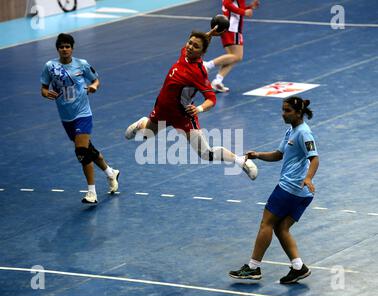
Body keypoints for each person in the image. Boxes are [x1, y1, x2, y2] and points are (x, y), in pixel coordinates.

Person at [125, 29, 258, 180]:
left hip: (183, 116)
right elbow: (197, 43)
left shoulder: (199, 73)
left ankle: (240, 160)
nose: (189, 47)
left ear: (202, 52)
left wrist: (199, 108)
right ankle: (141, 123)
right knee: (144, 136)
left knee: (205, 154)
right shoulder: (185, 53)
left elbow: (211, 99)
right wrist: (208, 34)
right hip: (162, 109)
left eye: (195, 46)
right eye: (189, 43)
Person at [229, 96, 319, 284]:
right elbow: (279, 154)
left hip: (291, 188)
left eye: (287, 110)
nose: (283, 113)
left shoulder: (304, 133)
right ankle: (298, 267)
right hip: (303, 194)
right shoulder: (291, 131)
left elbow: (315, 158)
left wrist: (308, 178)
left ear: (298, 113)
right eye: (283, 109)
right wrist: (258, 155)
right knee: (281, 228)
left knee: (266, 224)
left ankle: (253, 268)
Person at [41, 33, 120, 204]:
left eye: (67, 46)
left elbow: (96, 80)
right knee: (88, 150)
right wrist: (47, 94)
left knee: (81, 152)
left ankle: (91, 192)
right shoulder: (50, 67)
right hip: (65, 116)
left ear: (72, 48)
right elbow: (43, 88)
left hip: (83, 114)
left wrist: (93, 86)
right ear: (57, 49)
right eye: (61, 47)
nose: (64, 49)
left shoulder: (82, 65)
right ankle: (110, 173)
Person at [204, 0, 260, 93]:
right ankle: (207, 65)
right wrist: (244, 12)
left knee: (233, 57)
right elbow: (227, 3)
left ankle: (218, 81)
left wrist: (249, 7)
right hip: (232, 28)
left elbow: (234, 7)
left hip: (230, 27)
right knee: (237, 56)